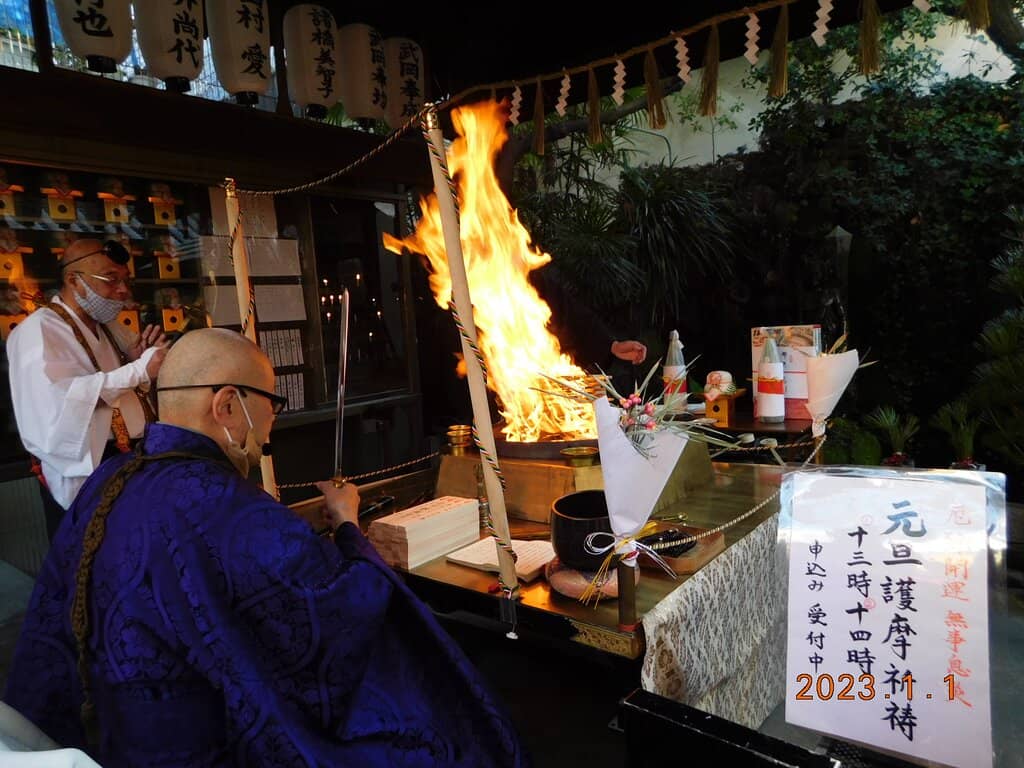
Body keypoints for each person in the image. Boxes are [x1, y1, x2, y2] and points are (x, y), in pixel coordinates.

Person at [3, 328, 527, 767]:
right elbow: (339, 612)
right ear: (228, 405)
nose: (272, 422)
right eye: (271, 403)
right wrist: (348, 527)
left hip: (115, 738)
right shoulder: (225, 506)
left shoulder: (109, 478)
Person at [6, 238, 166, 537]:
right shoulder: (38, 331)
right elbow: (64, 400)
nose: (123, 290)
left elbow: (128, 384)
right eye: (111, 279)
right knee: (92, 560)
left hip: (134, 456)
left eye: (125, 280)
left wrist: (135, 364)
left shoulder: (110, 327)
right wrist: (137, 369)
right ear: (74, 281)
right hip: (89, 467)